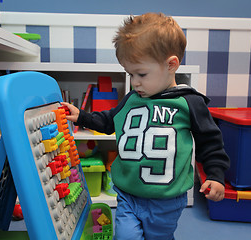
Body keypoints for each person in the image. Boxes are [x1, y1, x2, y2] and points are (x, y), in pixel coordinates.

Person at [61, 12, 230, 240]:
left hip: (166, 201)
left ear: (171, 65)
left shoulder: (188, 102)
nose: (134, 81)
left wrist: (216, 175)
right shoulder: (131, 99)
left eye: (141, 73)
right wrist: (82, 117)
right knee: (126, 236)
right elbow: (109, 120)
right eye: (130, 73)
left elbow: (210, 141)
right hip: (128, 195)